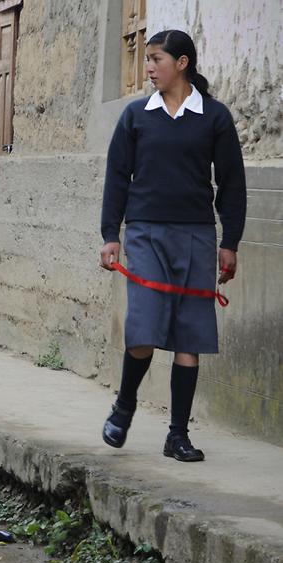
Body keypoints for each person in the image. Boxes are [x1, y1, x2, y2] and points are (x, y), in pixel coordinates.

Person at [99, 30, 246, 462]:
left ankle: (177, 434)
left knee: (190, 334)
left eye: (155, 59)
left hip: (197, 235)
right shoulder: (136, 116)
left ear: (181, 63)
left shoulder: (214, 117)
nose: (148, 67)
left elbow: (232, 184)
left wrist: (229, 241)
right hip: (144, 232)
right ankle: (125, 405)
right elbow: (116, 177)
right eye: (146, 59)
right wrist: (112, 235)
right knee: (143, 326)